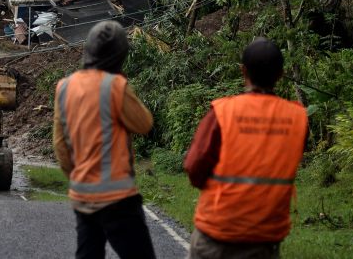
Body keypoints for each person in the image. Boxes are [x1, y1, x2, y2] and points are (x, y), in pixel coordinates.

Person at [184, 37, 309, 259]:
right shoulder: (298, 118)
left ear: (243, 71)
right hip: (264, 241)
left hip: (216, 234)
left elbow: (195, 167)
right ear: (280, 75)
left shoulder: (222, 113)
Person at [53, 21, 156, 259]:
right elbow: (144, 123)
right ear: (119, 56)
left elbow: (60, 145)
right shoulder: (114, 86)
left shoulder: (65, 87)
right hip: (118, 200)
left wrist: (78, 177)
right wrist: (124, 85)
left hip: (82, 197)